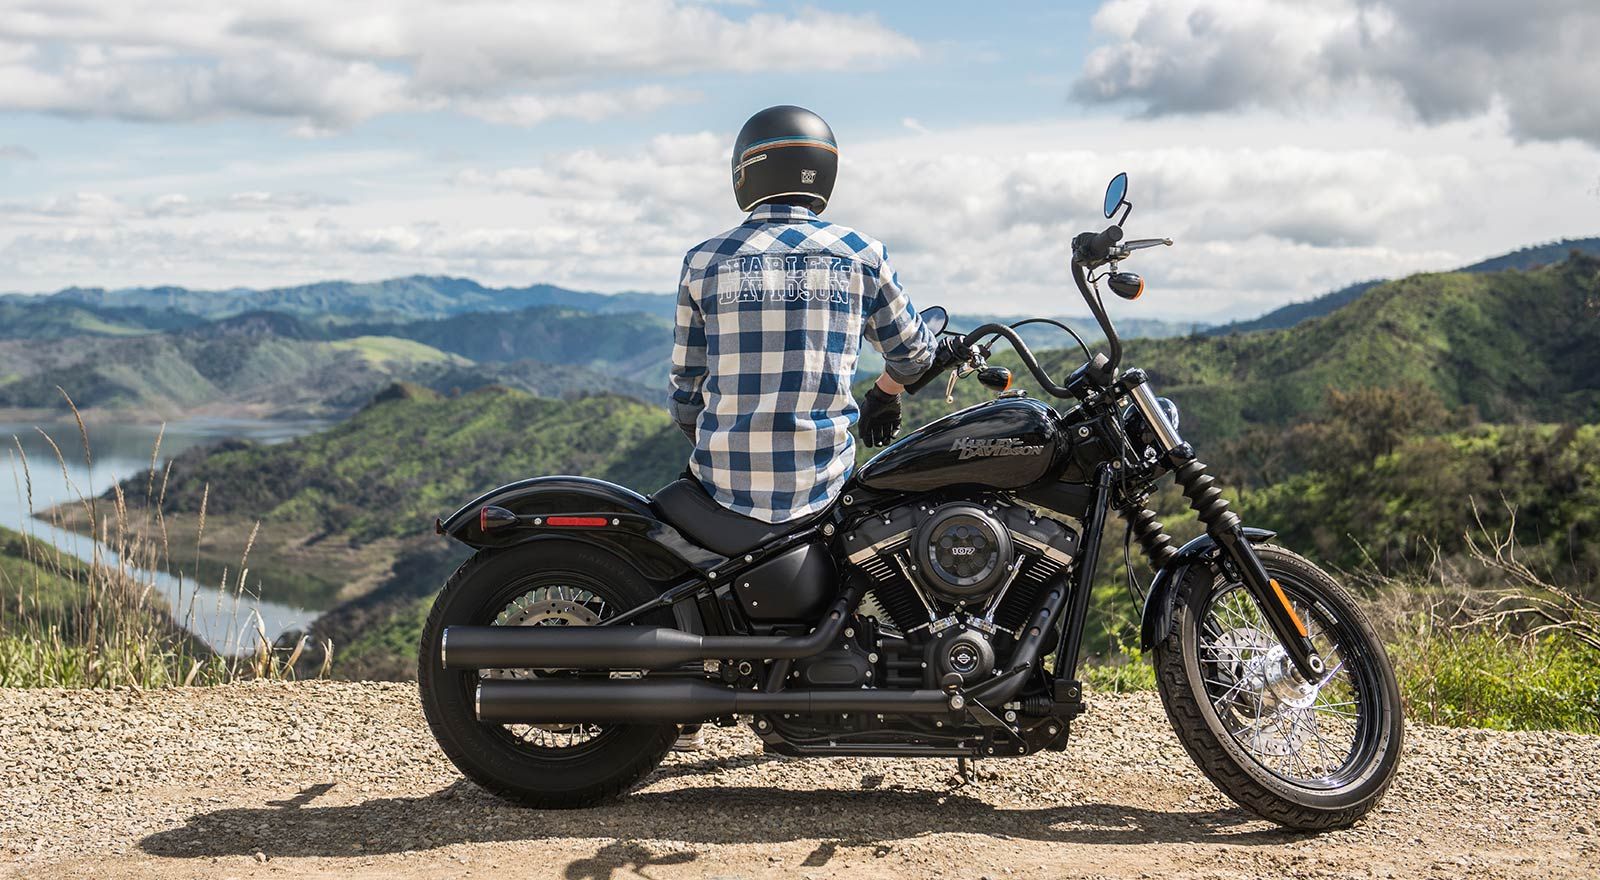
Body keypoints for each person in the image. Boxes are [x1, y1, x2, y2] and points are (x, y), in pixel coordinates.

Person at [665, 106, 965, 750]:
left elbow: (686, 392)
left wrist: (717, 434)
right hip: (823, 484)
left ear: (746, 171)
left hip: (722, 487)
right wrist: (882, 395)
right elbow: (914, 357)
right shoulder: (861, 254)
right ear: (823, 173)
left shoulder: (704, 260)